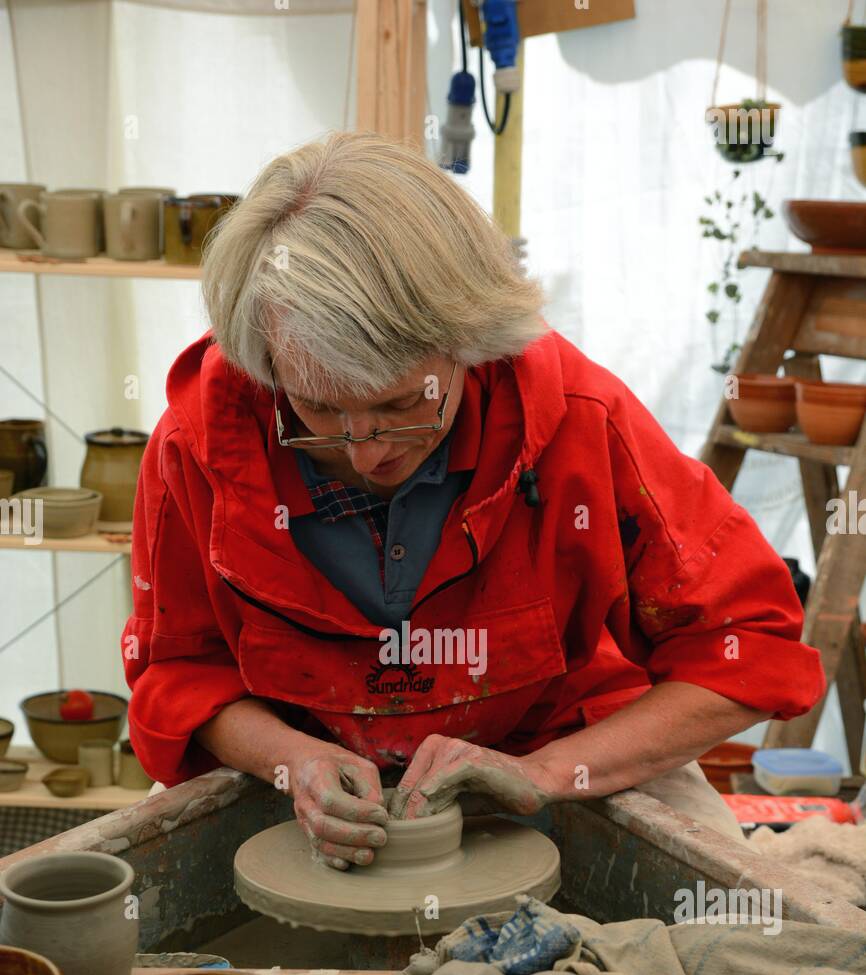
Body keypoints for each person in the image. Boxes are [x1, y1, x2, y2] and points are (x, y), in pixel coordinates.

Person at [123, 131, 824, 868]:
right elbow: (176, 669)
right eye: (320, 411)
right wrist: (292, 760)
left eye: (402, 405)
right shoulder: (197, 442)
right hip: (302, 779)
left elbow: (748, 648)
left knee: (726, 933)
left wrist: (547, 774)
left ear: (471, 342)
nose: (366, 451)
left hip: (555, 751)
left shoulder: (579, 418)